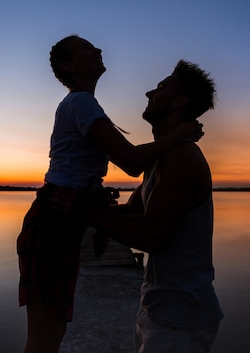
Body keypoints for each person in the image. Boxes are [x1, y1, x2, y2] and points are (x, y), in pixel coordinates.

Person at [17, 35, 203, 353]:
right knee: (43, 338)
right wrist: (177, 134)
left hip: (61, 220)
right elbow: (131, 162)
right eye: (87, 49)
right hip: (53, 221)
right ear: (69, 66)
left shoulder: (84, 103)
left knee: (54, 329)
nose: (98, 50)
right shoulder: (80, 103)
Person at [90, 60, 223, 353]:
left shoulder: (182, 158)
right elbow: (132, 213)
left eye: (161, 87)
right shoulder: (162, 157)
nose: (150, 92)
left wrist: (88, 215)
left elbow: (153, 235)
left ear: (180, 101)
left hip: (181, 319)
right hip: (157, 310)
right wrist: (89, 206)